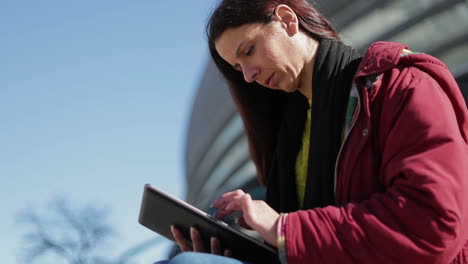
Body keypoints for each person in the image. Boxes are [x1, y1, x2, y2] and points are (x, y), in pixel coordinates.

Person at [155, 0, 468, 263]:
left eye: (248, 50)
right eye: (238, 69)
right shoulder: (287, 134)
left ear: (287, 21)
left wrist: (282, 227)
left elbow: (434, 224)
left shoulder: (402, 85)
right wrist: (233, 243)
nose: (248, 76)